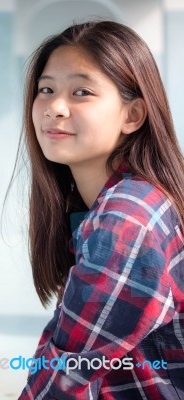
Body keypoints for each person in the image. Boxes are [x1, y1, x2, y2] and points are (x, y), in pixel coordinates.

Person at [10, 20, 184, 399]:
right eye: (46, 89)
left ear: (132, 115)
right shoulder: (105, 203)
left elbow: (66, 375)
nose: (55, 107)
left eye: (82, 91)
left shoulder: (127, 218)